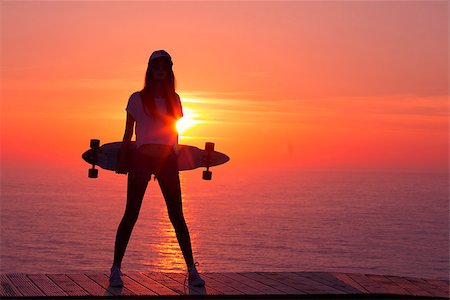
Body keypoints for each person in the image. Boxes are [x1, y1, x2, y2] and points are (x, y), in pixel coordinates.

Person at [109, 50, 205, 287]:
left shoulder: (175, 100)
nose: (160, 71)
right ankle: (115, 269)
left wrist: (175, 156)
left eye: (164, 67)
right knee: (131, 214)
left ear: (169, 70)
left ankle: (192, 271)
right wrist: (123, 160)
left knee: (177, 216)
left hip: (167, 162)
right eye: (156, 67)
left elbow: (174, 132)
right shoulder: (136, 99)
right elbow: (128, 133)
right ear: (150, 70)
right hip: (141, 159)